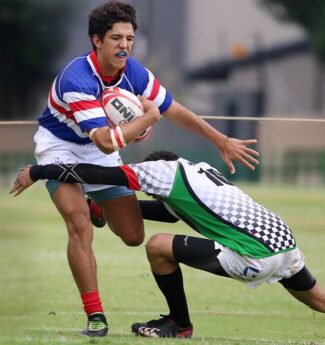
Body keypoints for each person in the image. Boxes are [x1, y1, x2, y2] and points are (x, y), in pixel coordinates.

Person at [10, 151, 325, 345]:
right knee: (321, 299)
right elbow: (171, 213)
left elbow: (101, 171)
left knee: (156, 248)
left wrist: (41, 170)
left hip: (254, 253)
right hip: (282, 239)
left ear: (156, 168)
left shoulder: (160, 172)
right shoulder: (199, 171)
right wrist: (107, 210)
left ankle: (179, 324)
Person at [32, 1, 258, 337]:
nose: (124, 45)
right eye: (115, 38)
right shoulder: (77, 78)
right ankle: (96, 316)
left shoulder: (133, 72)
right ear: (96, 40)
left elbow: (174, 110)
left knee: (133, 236)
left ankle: (99, 204)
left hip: (99, 147)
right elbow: (107, 141)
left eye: (129, 38)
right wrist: (145, 120)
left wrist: (220, 140)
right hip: (59, 147)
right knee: (79, 223)